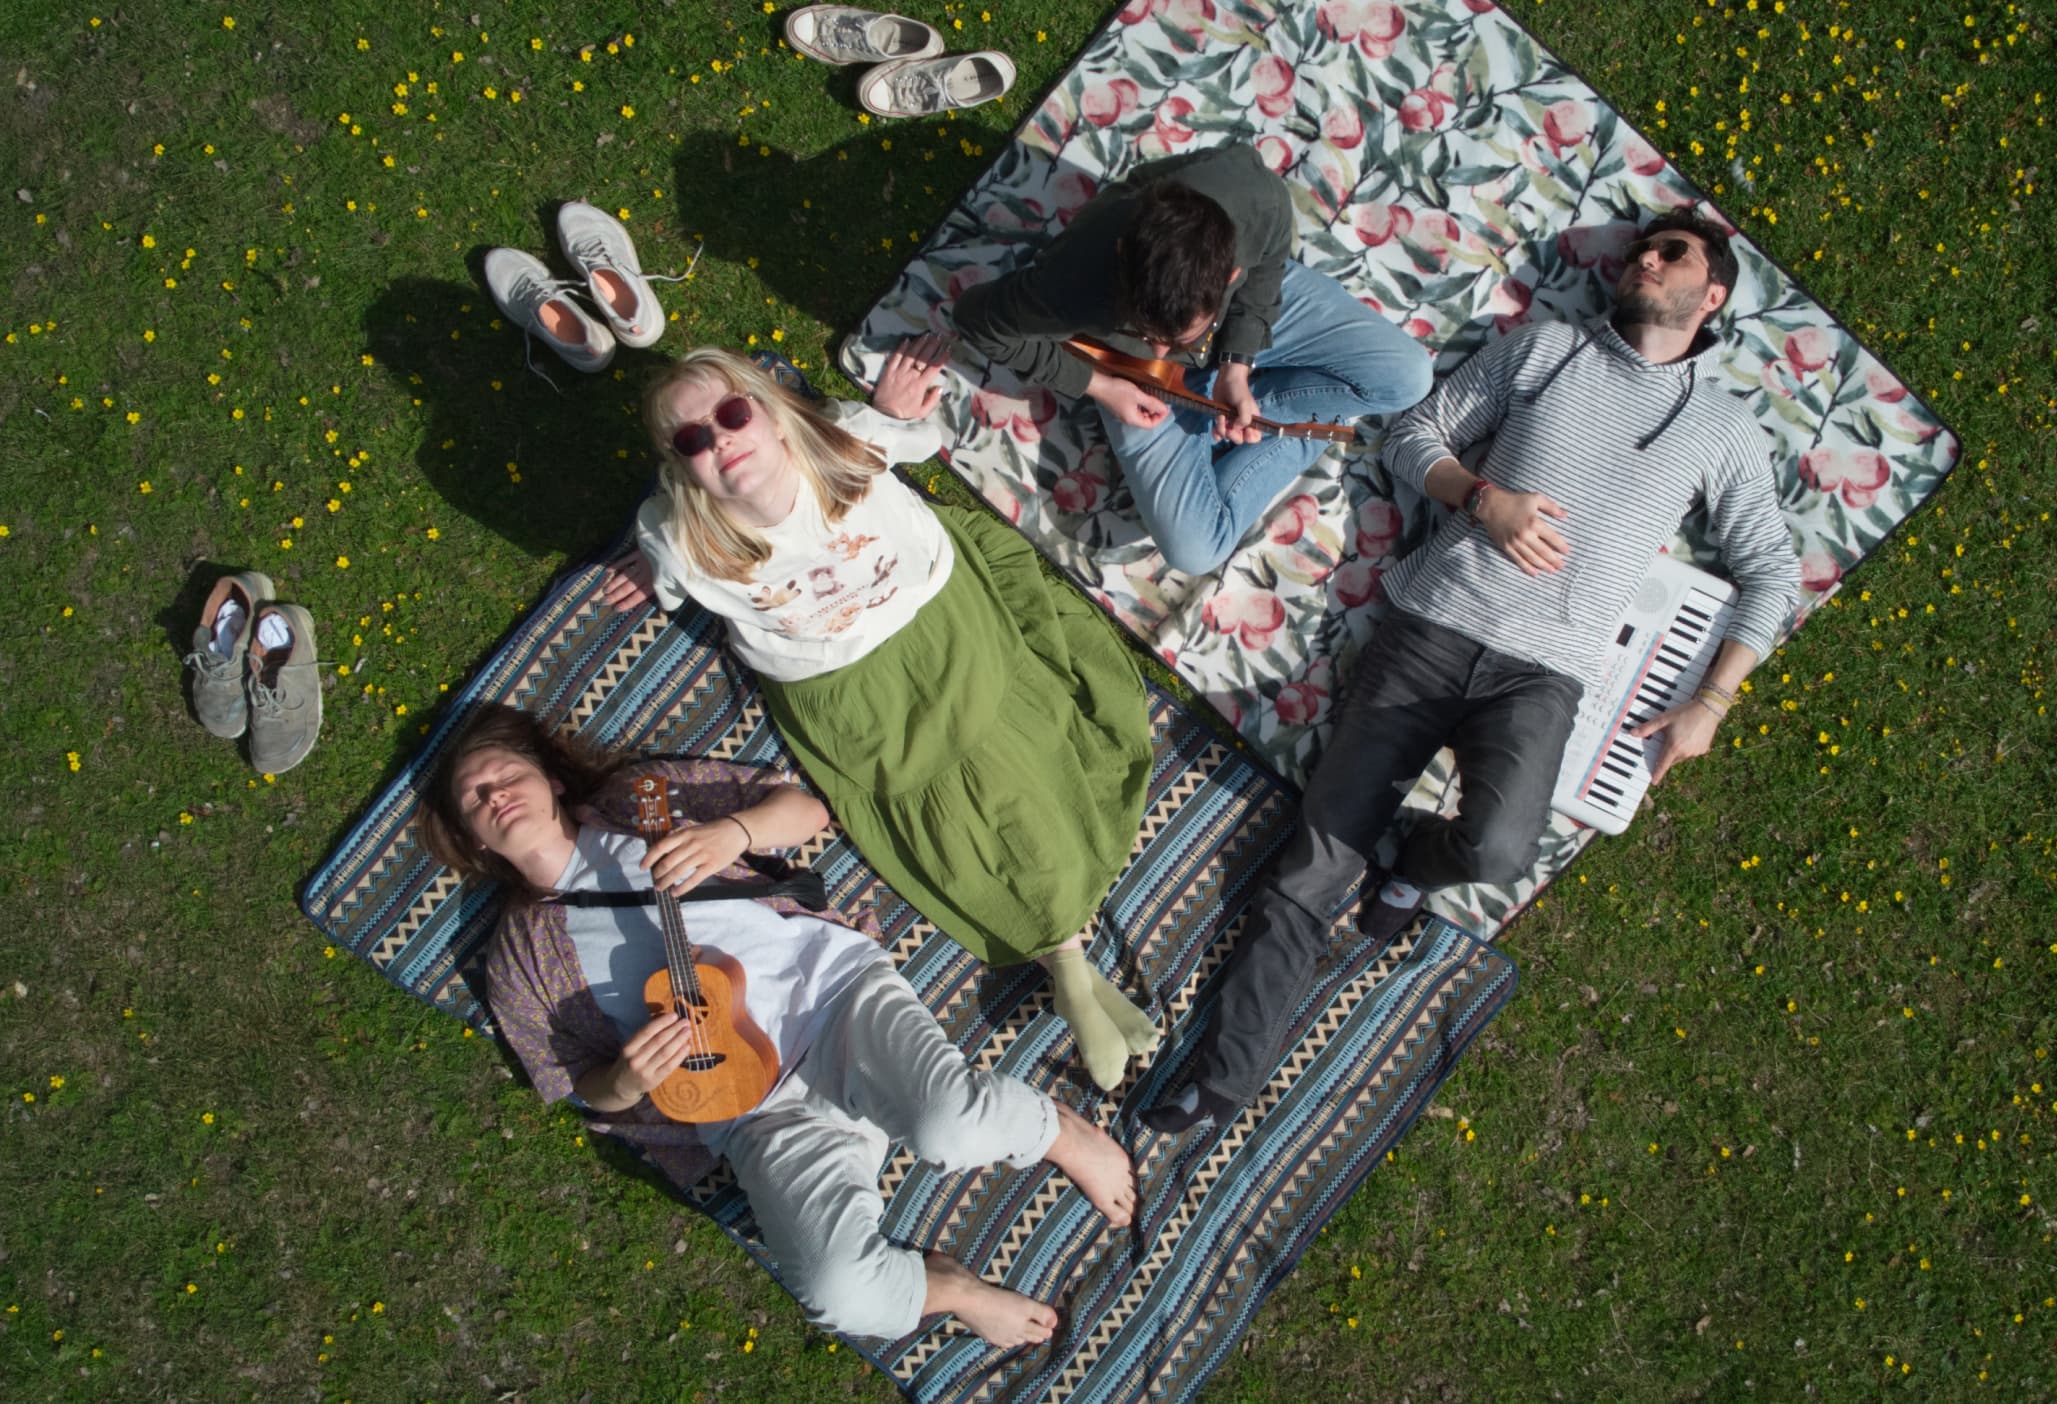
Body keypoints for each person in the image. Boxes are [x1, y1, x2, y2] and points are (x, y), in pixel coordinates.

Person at [1143, 211, 1802, 1134]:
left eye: (1671, 253)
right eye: (1639, 249)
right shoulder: (1546, 351)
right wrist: (1483, 499)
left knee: (1498, 851)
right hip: (1432, 630)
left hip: (1543, 678)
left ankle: (1415, 860)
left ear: (1714, 294)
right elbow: (1415, 436)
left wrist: (1714, 702)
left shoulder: (1723, 431)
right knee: (1311, 868)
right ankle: (1223, 1080)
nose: (1644, 261)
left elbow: (1771, 573)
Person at [422, 704, 1137, 1347]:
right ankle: (946, 1286)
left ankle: (1058, 1131)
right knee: (842, 1296)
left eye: (506, 772)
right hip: (747, 1109)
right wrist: (626, 1078)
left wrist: (734, 833)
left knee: (948, 1126)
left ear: (548, 778)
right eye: (476, 798)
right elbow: (578, 1087)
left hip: (829, 1001)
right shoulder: (519, 957)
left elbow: (806, 811)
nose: (497, 794)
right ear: (472, 840)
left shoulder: (637, 799)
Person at [599, 338, 1160, 1091]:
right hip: (844, 692)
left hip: (939, 619)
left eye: (731, 413)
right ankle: (1067, 964)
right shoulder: (677, 541)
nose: (721, 439)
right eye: (694, 439)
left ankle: (1066, 960)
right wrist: (652, 561)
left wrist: (888, 413)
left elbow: (919, 441)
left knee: (1016, 759)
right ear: (678, 467)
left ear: (769, 411)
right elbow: (667, 571)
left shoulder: (847, 442)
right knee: (938, 807)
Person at [952, 142, 1434, 574]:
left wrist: (1236, 365)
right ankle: (1286, 421)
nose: (1165, 353)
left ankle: (1254, 405)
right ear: (1123, 257)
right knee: (1197, 551)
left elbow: (1267, 265)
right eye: (1147, 333)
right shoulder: (1072, 280)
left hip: (1239, 324)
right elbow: (975, 319)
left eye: (1178, 339)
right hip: (1133, 379)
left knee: (1410, 377)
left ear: (1229, 276)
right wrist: (1101, 385)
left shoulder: (1255, 195)